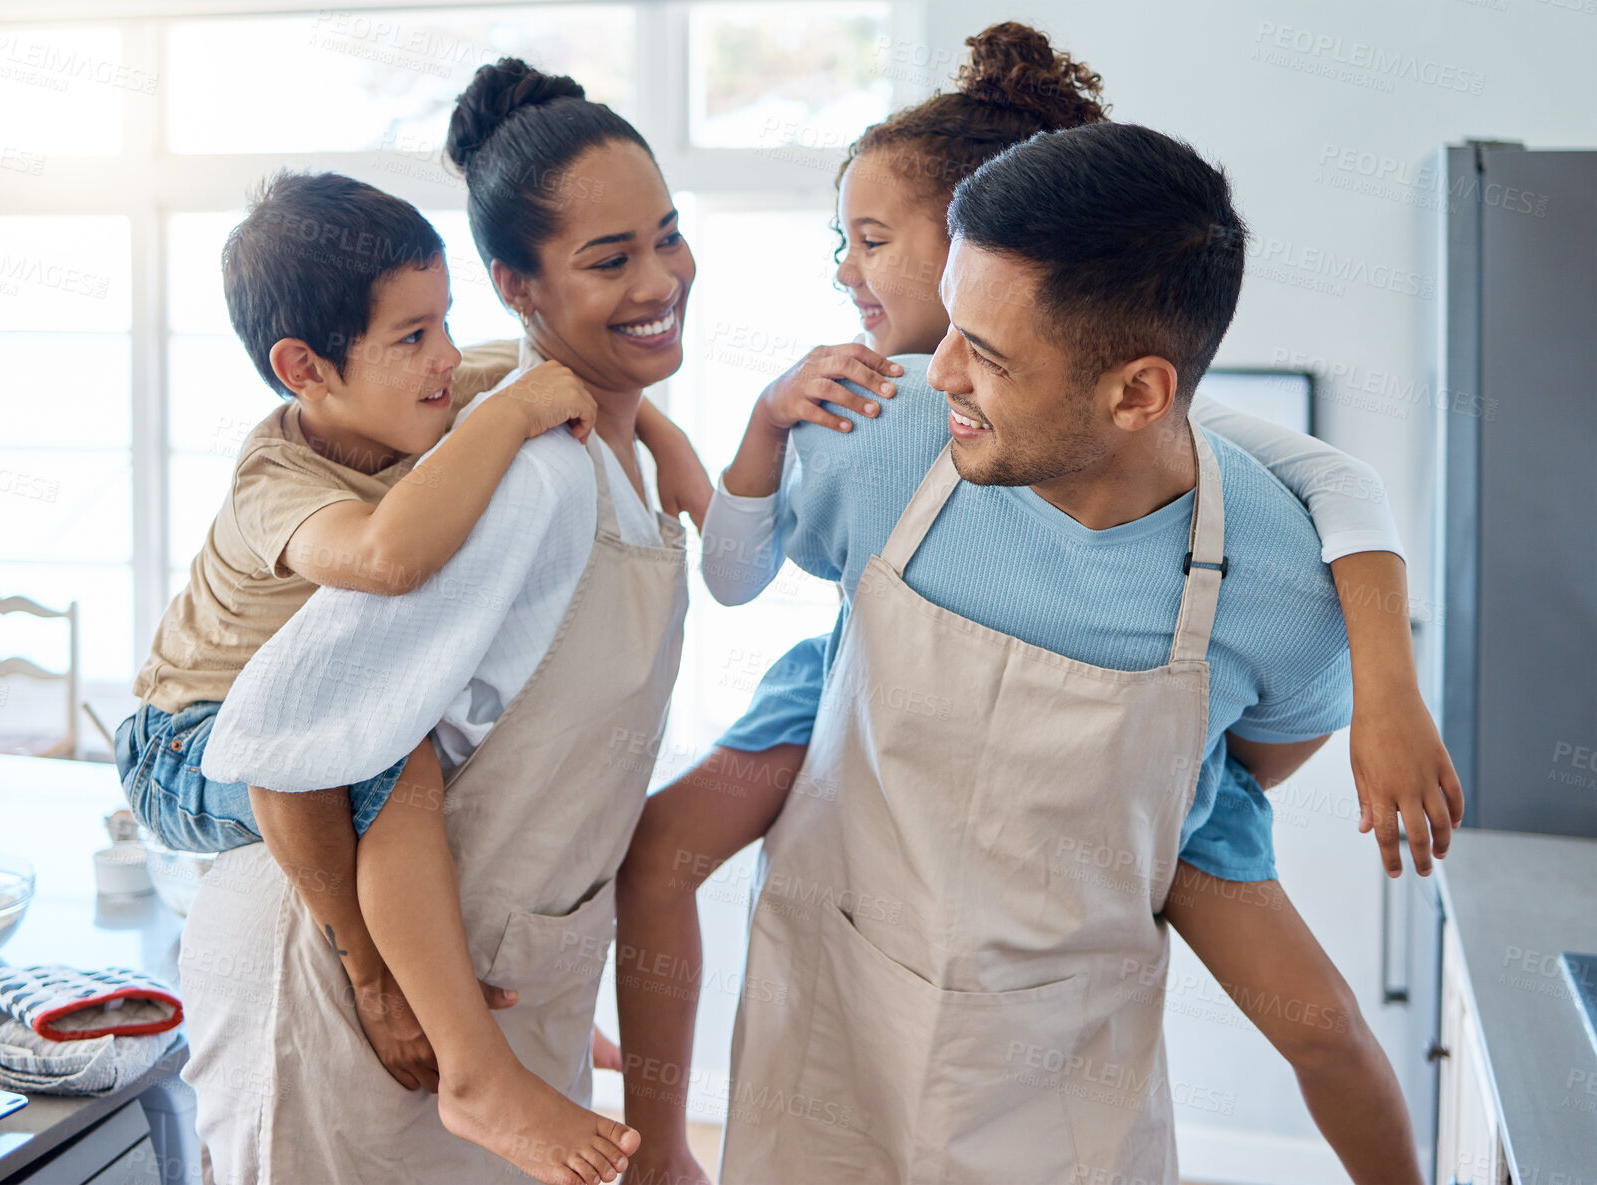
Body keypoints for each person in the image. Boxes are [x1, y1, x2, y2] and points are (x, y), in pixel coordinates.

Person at [617, 26, 1445, 1185]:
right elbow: (750, 568)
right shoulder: (880, 434)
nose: (937, 370)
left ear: (1137, 392)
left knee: (1316, 1024)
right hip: (844, 973)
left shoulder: (1278, 585)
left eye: (987, 353)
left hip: (1063, 1071)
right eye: (944, 323)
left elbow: (1256, 755)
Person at [179, 58, 700, 1185]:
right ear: (523, 283)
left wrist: (695, 461)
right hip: (236, 801)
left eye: (668, 235)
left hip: (493, 979)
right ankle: (470, 1064)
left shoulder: (491, 409)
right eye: (609, 258)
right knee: (395, 761)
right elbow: (283, 731)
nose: (659, 277)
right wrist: (370, 971)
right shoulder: (501, 463)